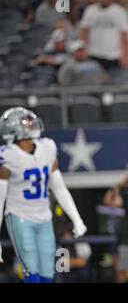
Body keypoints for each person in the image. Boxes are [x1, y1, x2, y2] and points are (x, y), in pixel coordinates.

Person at [0, 107, 87, 283]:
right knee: (31, 272)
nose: (32, 124)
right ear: (13, 128)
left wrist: (77, 219)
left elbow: (60, 188)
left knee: (48, 273)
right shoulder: (8, 156)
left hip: (45, 217)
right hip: (20, 215)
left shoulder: (47, 147)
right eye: (26, 122)